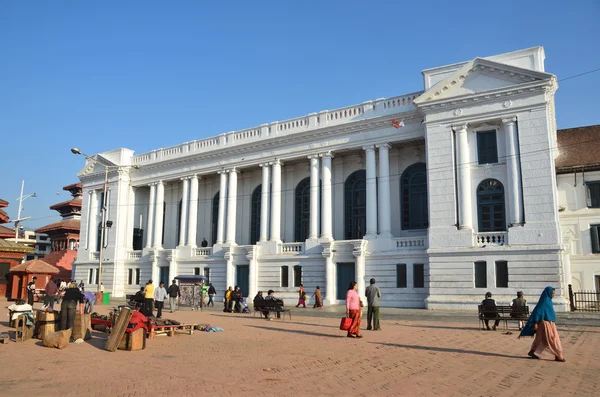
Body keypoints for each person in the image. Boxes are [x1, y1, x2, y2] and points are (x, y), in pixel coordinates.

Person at [520, 286, 565, 362]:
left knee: (541, 338)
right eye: (552, 293)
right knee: (552, 339)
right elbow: (538, 312)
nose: (553, 295)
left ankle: (532, 351)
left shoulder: (548, 301)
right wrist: (535, 323)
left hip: (549, 323)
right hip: (545, 323)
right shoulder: (545, 302)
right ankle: (559, 355)